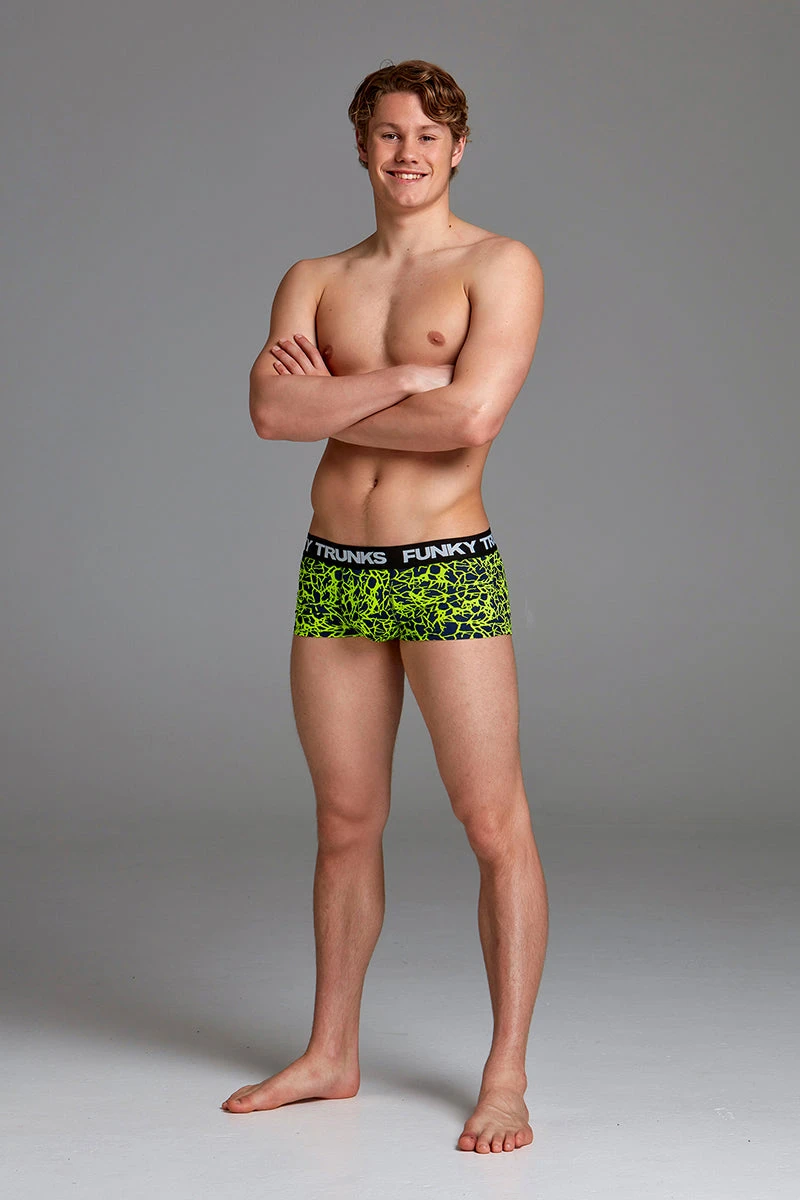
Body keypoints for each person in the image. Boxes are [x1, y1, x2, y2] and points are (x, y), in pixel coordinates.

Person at [222, 59, 547, 1155]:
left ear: (458, 149)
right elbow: (269, 413)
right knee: (344, 824)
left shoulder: (498, 266)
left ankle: (504, 1075)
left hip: (444, 561)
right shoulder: (315, 277)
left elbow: (470, 419)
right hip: (335, 568)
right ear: (361, 144)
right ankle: (331, 1052)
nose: (407, 153)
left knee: (492, 822)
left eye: (427, 136)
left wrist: (332, 398)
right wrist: (406, 382)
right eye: (389, 134)